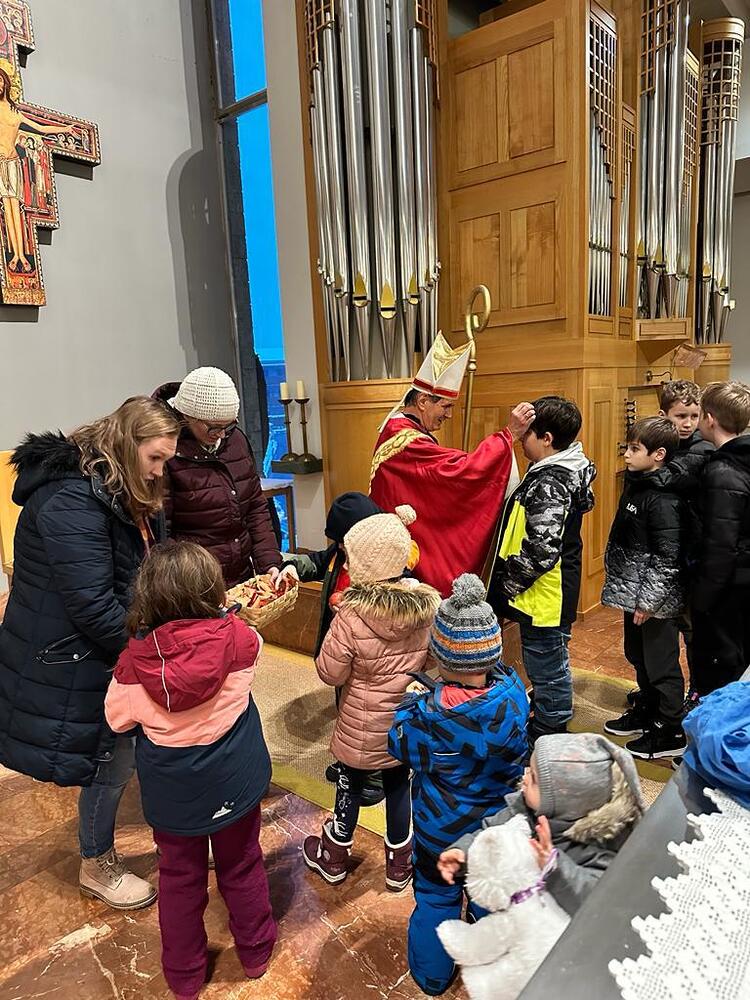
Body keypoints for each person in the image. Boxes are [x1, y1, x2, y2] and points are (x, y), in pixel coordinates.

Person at [0, 397, 180, 908]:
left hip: (113, 642)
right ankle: (97, 864)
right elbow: (93, 606)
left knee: (140, 746)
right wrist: (154, 653)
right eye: (155, 458)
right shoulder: (71, 500)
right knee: (110, 759)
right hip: (73, 654)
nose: (160, 471)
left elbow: (140, 566)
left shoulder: (118, 485)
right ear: (125, 444)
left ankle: (171, 838)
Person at [104, 541, 276, 1000]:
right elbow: (255, 649)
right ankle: (256, 951)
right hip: (236, 781)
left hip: (174, 794)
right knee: (243, 864)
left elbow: (116, 720)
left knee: (179, 880)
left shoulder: (132, 666)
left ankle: (184, 974)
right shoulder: (241, 639)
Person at [388, 575, 529, 996]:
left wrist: (411, 701)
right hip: (496, 831)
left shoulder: (427, 717)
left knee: (436, 901)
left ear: (439, 655)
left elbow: (397, 743)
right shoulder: (515, 696)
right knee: (492, 902)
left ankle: (432, 977)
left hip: (440, 832)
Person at [302, 505, 440, 892]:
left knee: (349, 785)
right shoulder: (424, 610)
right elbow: (431, 660)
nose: (345, 562)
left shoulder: (351, 616)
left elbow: (330, 673)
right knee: (398, 786)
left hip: (359, 727)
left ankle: (334, 857)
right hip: (402, 723)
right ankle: (399, 866)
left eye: (350, 556)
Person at [369, 332, 535, 596]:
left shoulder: (401, 428)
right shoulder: (405, 439)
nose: (448, 415)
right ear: (423, 401)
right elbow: (460, 472)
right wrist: (508, 436)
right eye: (445, 407)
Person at [439, 733, 645, 918]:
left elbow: (594, 901)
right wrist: (464, 852)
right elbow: (491, 833)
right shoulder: (524, 807)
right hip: (510, 913)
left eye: (534, 778)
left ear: (564, 798)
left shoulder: (601, 844)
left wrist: (553, 866)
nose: (524, 778)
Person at [487, 396, 596, 741]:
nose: (521, 440)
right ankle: (549, 709)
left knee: (547, 664)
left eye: (527, 434)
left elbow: (542, 549)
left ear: (547, 438)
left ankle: (551, 727)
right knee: (548, 658)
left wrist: (506, 585)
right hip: (545, 592)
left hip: (545, 594)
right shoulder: (555, 471)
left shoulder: (551, 482)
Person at [284, 491, 388, 802]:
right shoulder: (339, 555)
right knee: (346, 713)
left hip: (370, 661)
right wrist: (293, 566)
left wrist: (357, 607)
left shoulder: (385, 565)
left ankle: (375, 778)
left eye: (345, 541)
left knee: (369, 721)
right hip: (341, 653)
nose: (340, 547)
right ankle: (350, 764)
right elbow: (317, 561)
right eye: (338, 542)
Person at [153, 367, 289, 589]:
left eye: (229, 425)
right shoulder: (166, 450)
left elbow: (255, 507)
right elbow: (161, 534)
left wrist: (270, 563)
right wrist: (188, 584)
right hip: (196, 584)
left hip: (240, 576)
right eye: (214, 427)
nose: (222, 434)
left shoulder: (236, 440)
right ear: (188, 416)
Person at [601, 416, 686, 759]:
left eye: (635, 449)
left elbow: (668, 558)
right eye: (628, 446)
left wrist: (649, 602)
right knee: (637, 655)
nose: (626, 454)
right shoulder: (637, 484)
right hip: (634, 593)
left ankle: (670, 729)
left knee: (661, 664)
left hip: (655, 602)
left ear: (658, 454)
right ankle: (648, 710)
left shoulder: (664, 499)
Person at [690, 381, 750, 698]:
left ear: (710, 419)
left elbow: (720, 545)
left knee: (720, 670)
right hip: (741, 583)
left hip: (728, 590)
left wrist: (701, 600)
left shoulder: (723, 472)